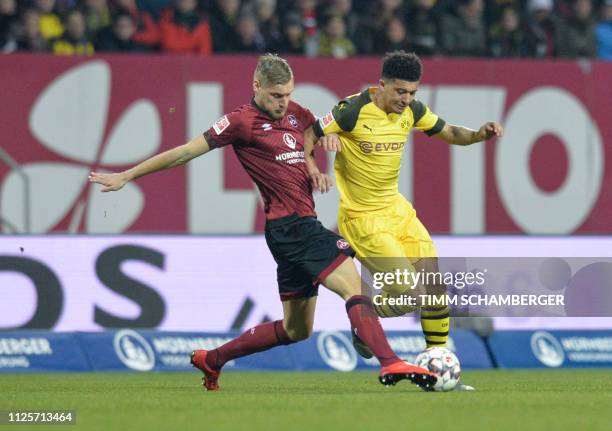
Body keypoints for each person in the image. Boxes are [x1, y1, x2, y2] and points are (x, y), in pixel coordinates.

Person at [89, 54, 436, 392]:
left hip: (291, 231)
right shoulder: (241, 122)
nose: (284, 103)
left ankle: (213, 358)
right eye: (276, 96)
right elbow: (184, 152)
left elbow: (313, 140)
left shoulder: (298, 113)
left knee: (296, 329)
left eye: (288, 94)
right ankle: (390, 361)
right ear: (256, 86)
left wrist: (316, 162)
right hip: (292, 227)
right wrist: (128, 175)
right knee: (355, 289)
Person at [305, 51, 503, 390]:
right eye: (400, 92)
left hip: (398, 212)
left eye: (412, 93)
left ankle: (441, 374)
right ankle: (364, 322)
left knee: (435, 290)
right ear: (381, 85)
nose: (406, 99)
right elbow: (308, 135)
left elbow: (450, 132)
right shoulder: (351, 110)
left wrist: (479, 135)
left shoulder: (412, 111)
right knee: (410, 292)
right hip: (362, 218)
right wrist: (314, 165)